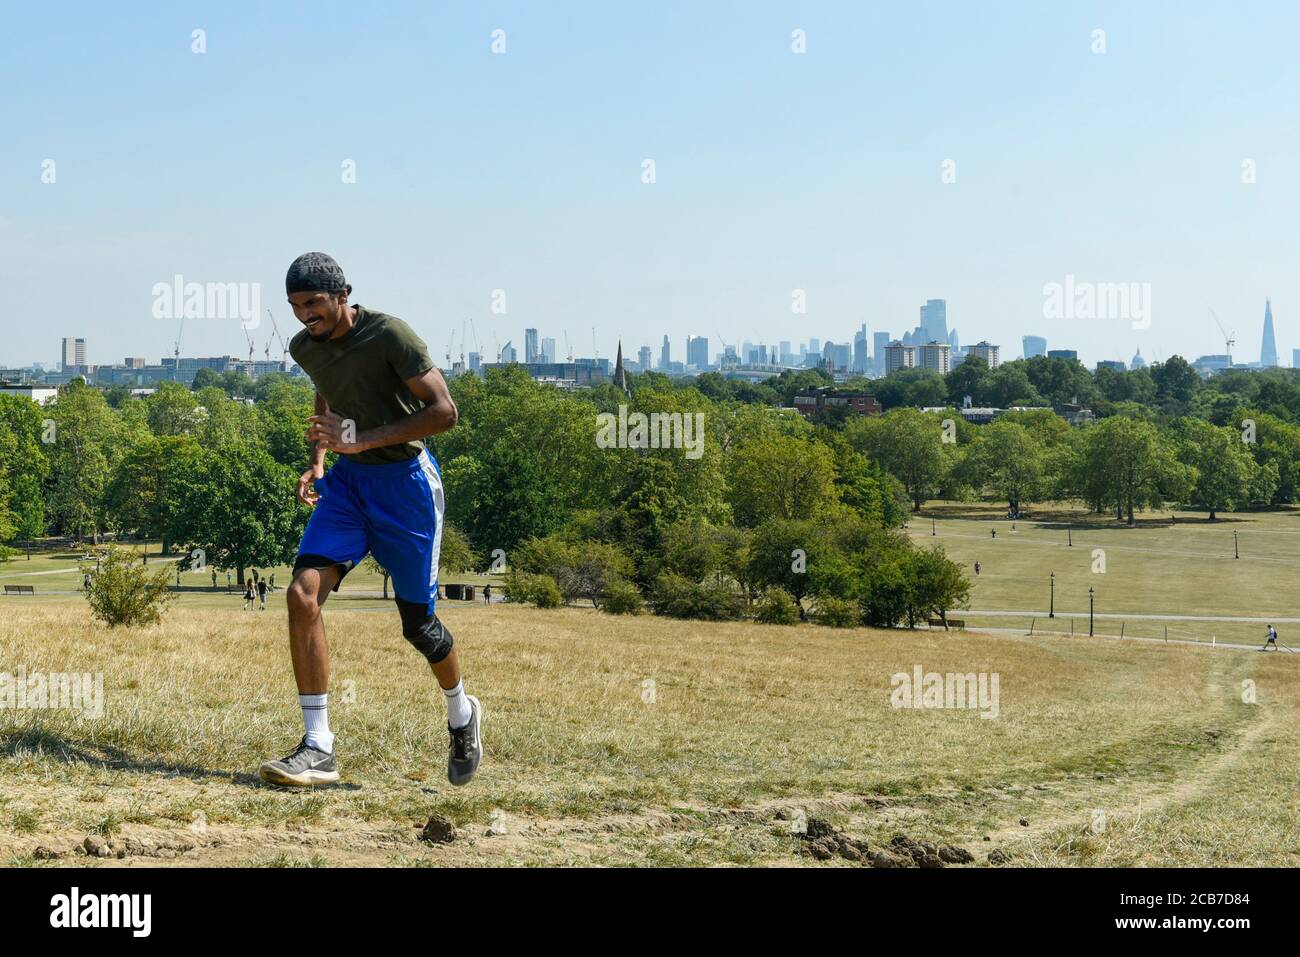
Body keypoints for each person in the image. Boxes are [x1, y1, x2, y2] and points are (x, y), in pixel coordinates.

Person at [257, 252, 480, 790]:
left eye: (313, 303)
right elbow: (326, 385)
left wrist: (362, 439)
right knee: (301, 595)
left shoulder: (390, 336)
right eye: (294, 307)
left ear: (342, 295)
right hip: (348, 487)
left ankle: (462, 714)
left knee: (419, 628)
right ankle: (318, 747)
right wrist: (319, 456)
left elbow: (444, 413)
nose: (304, 316)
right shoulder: (304, 347)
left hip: (406, 489)